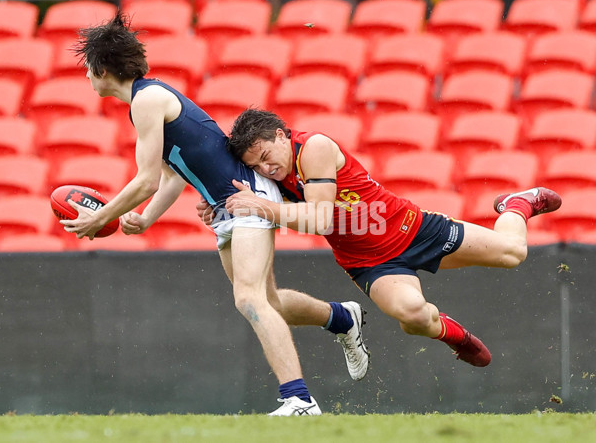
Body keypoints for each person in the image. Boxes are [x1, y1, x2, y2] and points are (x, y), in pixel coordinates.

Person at [60, 12, 369, 416]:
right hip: (226, 207)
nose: (86, 77)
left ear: (102, 69)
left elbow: (145, 181)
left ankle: (299, 399)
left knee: (249, 297)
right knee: (268, 301)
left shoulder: (147, 100)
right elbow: (170, 177)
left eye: (88, 69)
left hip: (245, 195)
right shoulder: (147, 100)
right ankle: (342, 318)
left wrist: (102, 219)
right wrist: (147, 219)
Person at [216, 107, 562, 368]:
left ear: (281, 134)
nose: (266, 169)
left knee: (514, 253)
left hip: (414, 229)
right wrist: (217, 209)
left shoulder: (314, 147)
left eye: (266, 157)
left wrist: (260, 207)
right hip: (370, 262)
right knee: (412, 317)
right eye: (257, 166)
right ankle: (456, 336)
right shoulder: (271, 179)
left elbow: (319, 219)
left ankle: (516, 205)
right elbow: (245, 203)